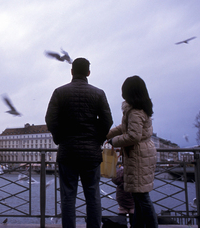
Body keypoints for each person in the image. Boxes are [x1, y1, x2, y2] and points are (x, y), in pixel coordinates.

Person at [45, 57, 113, 228]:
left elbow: (50, 119)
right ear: (88, 72)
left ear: (72, 72)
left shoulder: (60, 92)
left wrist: (60, 137)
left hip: (68, 152)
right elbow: (107, 121)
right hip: (91, 153)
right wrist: (97, 139)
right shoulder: (98, 93)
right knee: (93, 197)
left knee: (68, 197)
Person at [106, 75, 158, 228]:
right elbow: (124, 128)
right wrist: (106, 134)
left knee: (142, 198)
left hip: (138, 156)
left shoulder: (134, 111)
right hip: (140, 154)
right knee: (138, 197)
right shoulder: (139, 109)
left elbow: (133, 136)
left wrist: (113, 141)